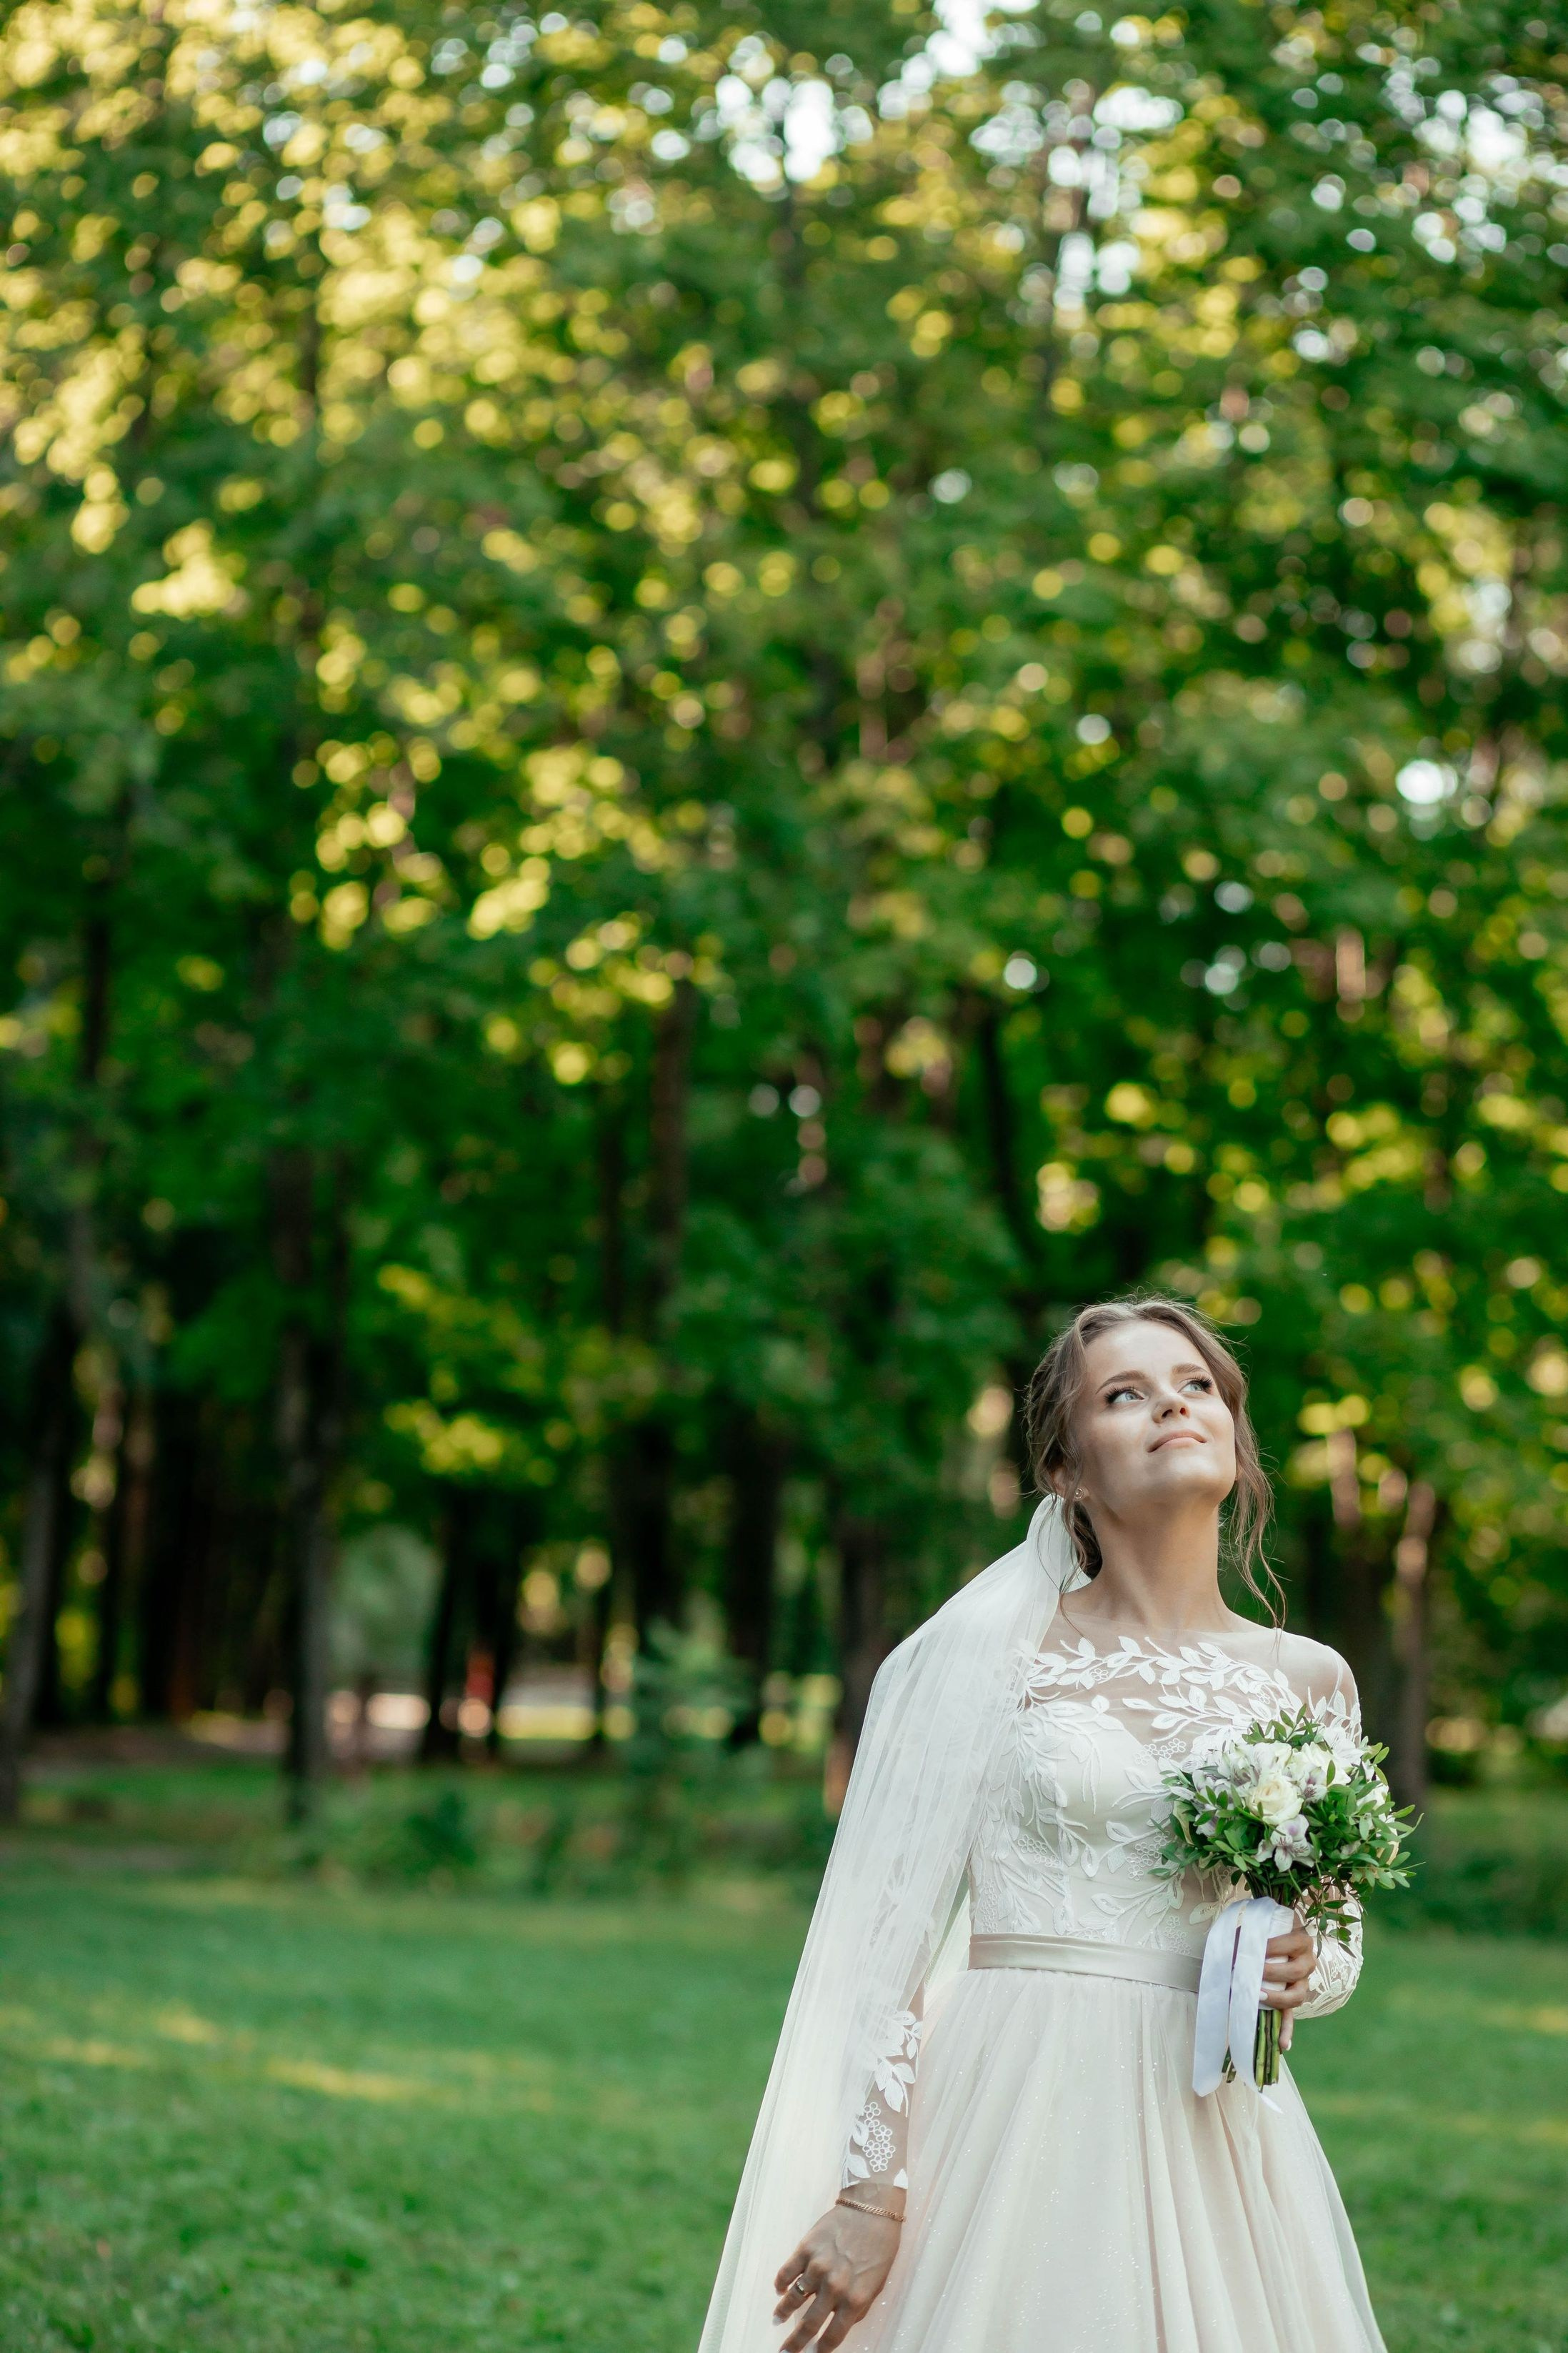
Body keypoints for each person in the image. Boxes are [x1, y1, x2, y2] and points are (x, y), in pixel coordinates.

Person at [698, 1297, 1384, 2353]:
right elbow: (881, 1952)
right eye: (1125, 1394)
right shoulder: (986, 1660)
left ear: (1235, 1436)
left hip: (1211, 2122)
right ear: (1067, 1468)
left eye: (1195, 1385)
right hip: (1013, 2107)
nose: (1172, 1405)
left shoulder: (1310, 1678)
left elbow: (1334, 1943)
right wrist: (870, 2191)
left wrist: (1306, 1962)